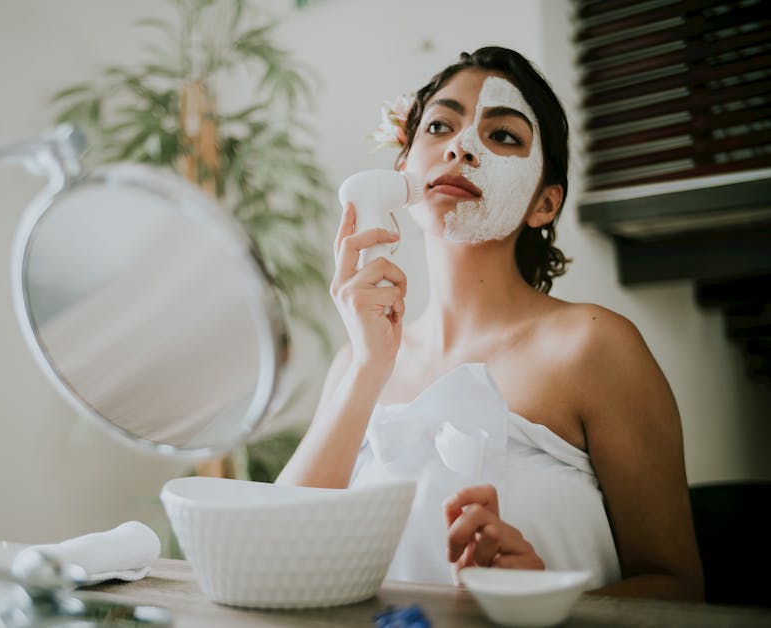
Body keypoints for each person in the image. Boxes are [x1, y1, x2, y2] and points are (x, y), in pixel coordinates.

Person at [276, 46, 704, 602]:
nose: (461, 146)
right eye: (438, 126)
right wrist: (366, 368)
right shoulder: (356, 363)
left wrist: (548, 605)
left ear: (544, 204)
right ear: (403, 168)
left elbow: (682, 589)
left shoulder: (594, 347)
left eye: (502, 136)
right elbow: (278, 547)